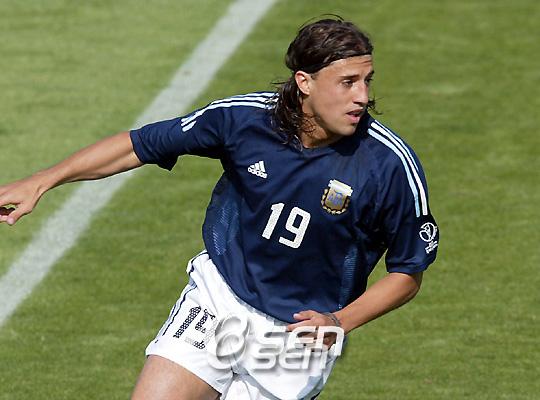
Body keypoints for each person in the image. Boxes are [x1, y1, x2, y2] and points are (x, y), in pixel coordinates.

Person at [0, 17, 439, 400]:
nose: (362, 96)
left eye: (367, 81)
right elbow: (139, 145)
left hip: (295, 337)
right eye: (347, 82)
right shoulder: (244, 120)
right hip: (221, 298)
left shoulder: (389, 165)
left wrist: (339, 322)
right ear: (305, 82)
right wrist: (44, 180)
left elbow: (407, 273)